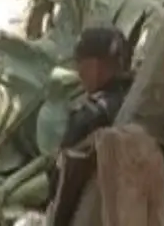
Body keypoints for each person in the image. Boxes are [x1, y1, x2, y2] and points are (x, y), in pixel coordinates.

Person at [45, 25, 133, 218]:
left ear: (95, 66)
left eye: (80, 64)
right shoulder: (138, 100)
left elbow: (61, 182)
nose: (79, 72)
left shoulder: (89, 116)